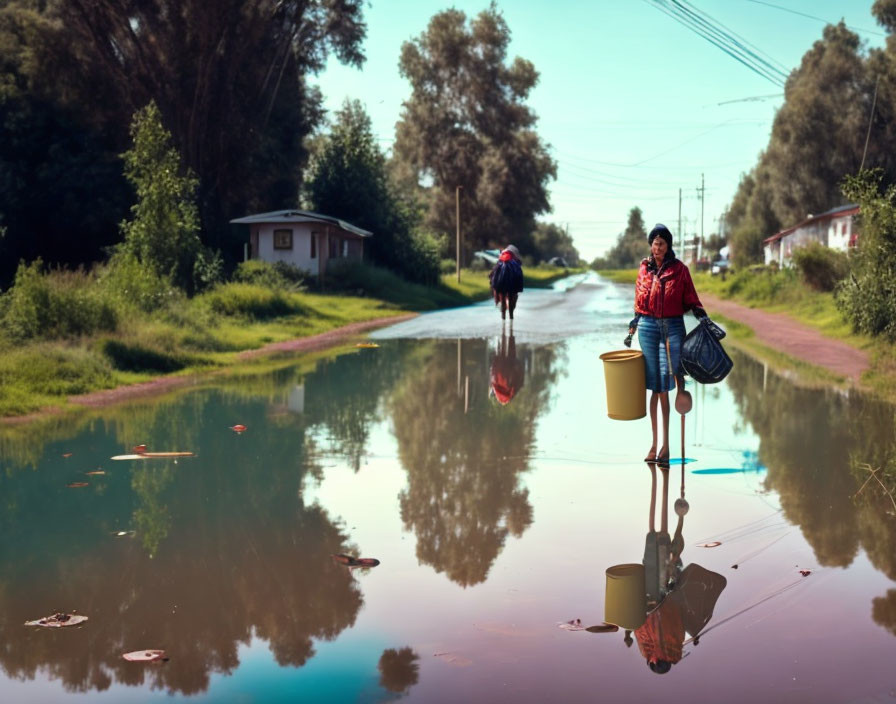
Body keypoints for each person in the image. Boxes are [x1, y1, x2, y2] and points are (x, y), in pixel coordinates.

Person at [628, 224, 709, 463]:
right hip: (648, 328)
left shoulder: (680, 270)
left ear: (668, 245)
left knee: (671, 382)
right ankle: (655, 446)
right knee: (656, 388)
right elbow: (638, 300)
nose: (658, 246)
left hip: (672, 327)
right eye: (655, 242)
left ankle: (667, 445)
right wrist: (634, 323)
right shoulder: (644, 269)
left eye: (662, 242)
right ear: (651, 245)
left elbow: (692, 297)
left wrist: (702, 317)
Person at [489, 245, 524, 320]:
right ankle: (511, 316)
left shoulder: (500, 261)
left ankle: (503, 314)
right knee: (513, 298)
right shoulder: (515, 261)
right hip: (512, 285)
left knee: (493, 278)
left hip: (500, 284)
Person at [489, 330, 524, 405]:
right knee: (501, 351)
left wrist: (519, 367)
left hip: (510, 369)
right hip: (500, 368)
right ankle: (503, 334)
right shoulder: (496, 390)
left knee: (511, 353)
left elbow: (519, 383)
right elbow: (493, 375)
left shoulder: (510, 395)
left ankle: (511, 333)